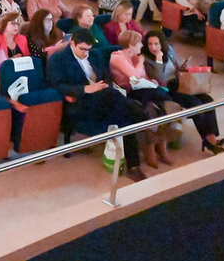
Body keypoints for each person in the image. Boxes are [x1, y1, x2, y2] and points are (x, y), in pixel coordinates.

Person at [46, 29, 148, 181]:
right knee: (119, 101)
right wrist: (85, 89)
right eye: (82, 49)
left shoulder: (95, 55)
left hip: (105, 98)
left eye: (88, 49)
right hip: (81, 101)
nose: (86, 53)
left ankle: (134, 166)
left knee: (124, 119)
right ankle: (143, 117)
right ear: (72, 43)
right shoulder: (58, 59)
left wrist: (103, 85)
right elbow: (56, 85)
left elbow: (106, 76)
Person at [142, 31, 224, 154]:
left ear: (162, 44)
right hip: (167, 89)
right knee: (195, 103)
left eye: (156, 44)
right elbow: (159, 79)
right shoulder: (147, 59)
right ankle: (209, 139)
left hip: (179, 83)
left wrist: (182, 67)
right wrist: (158, 61)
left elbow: (175, 66)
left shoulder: (169, 51)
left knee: (208, 100)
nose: (153, 47)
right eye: (150, 44)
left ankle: (211, 135)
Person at [108, 30, 172, 168]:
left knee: (152, 107)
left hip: (140, 91)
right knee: (157, 98)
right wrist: (141, 62)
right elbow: (135, 77)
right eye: (139, 43)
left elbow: (143, 78)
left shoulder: (135, 57)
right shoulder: (117, 57)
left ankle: (159, 148)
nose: (141, 46)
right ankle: (156, 149)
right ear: (131, 45)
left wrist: (151, 81)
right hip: (126, 92)